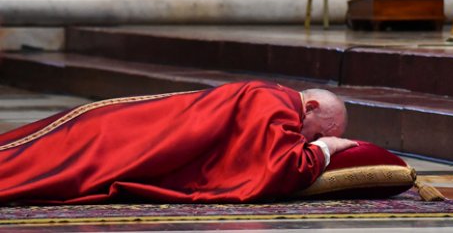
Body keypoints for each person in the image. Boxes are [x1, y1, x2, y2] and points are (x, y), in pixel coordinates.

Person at [0, 80, 358, 205]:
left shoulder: (272, 99)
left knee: (33, 156)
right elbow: (277, 169)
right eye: (316, 133)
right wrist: (327, 151)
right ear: (309, 107)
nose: (306, 142)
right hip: (122, 139)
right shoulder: (273, 106)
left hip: (124, 130)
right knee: (37, 168)